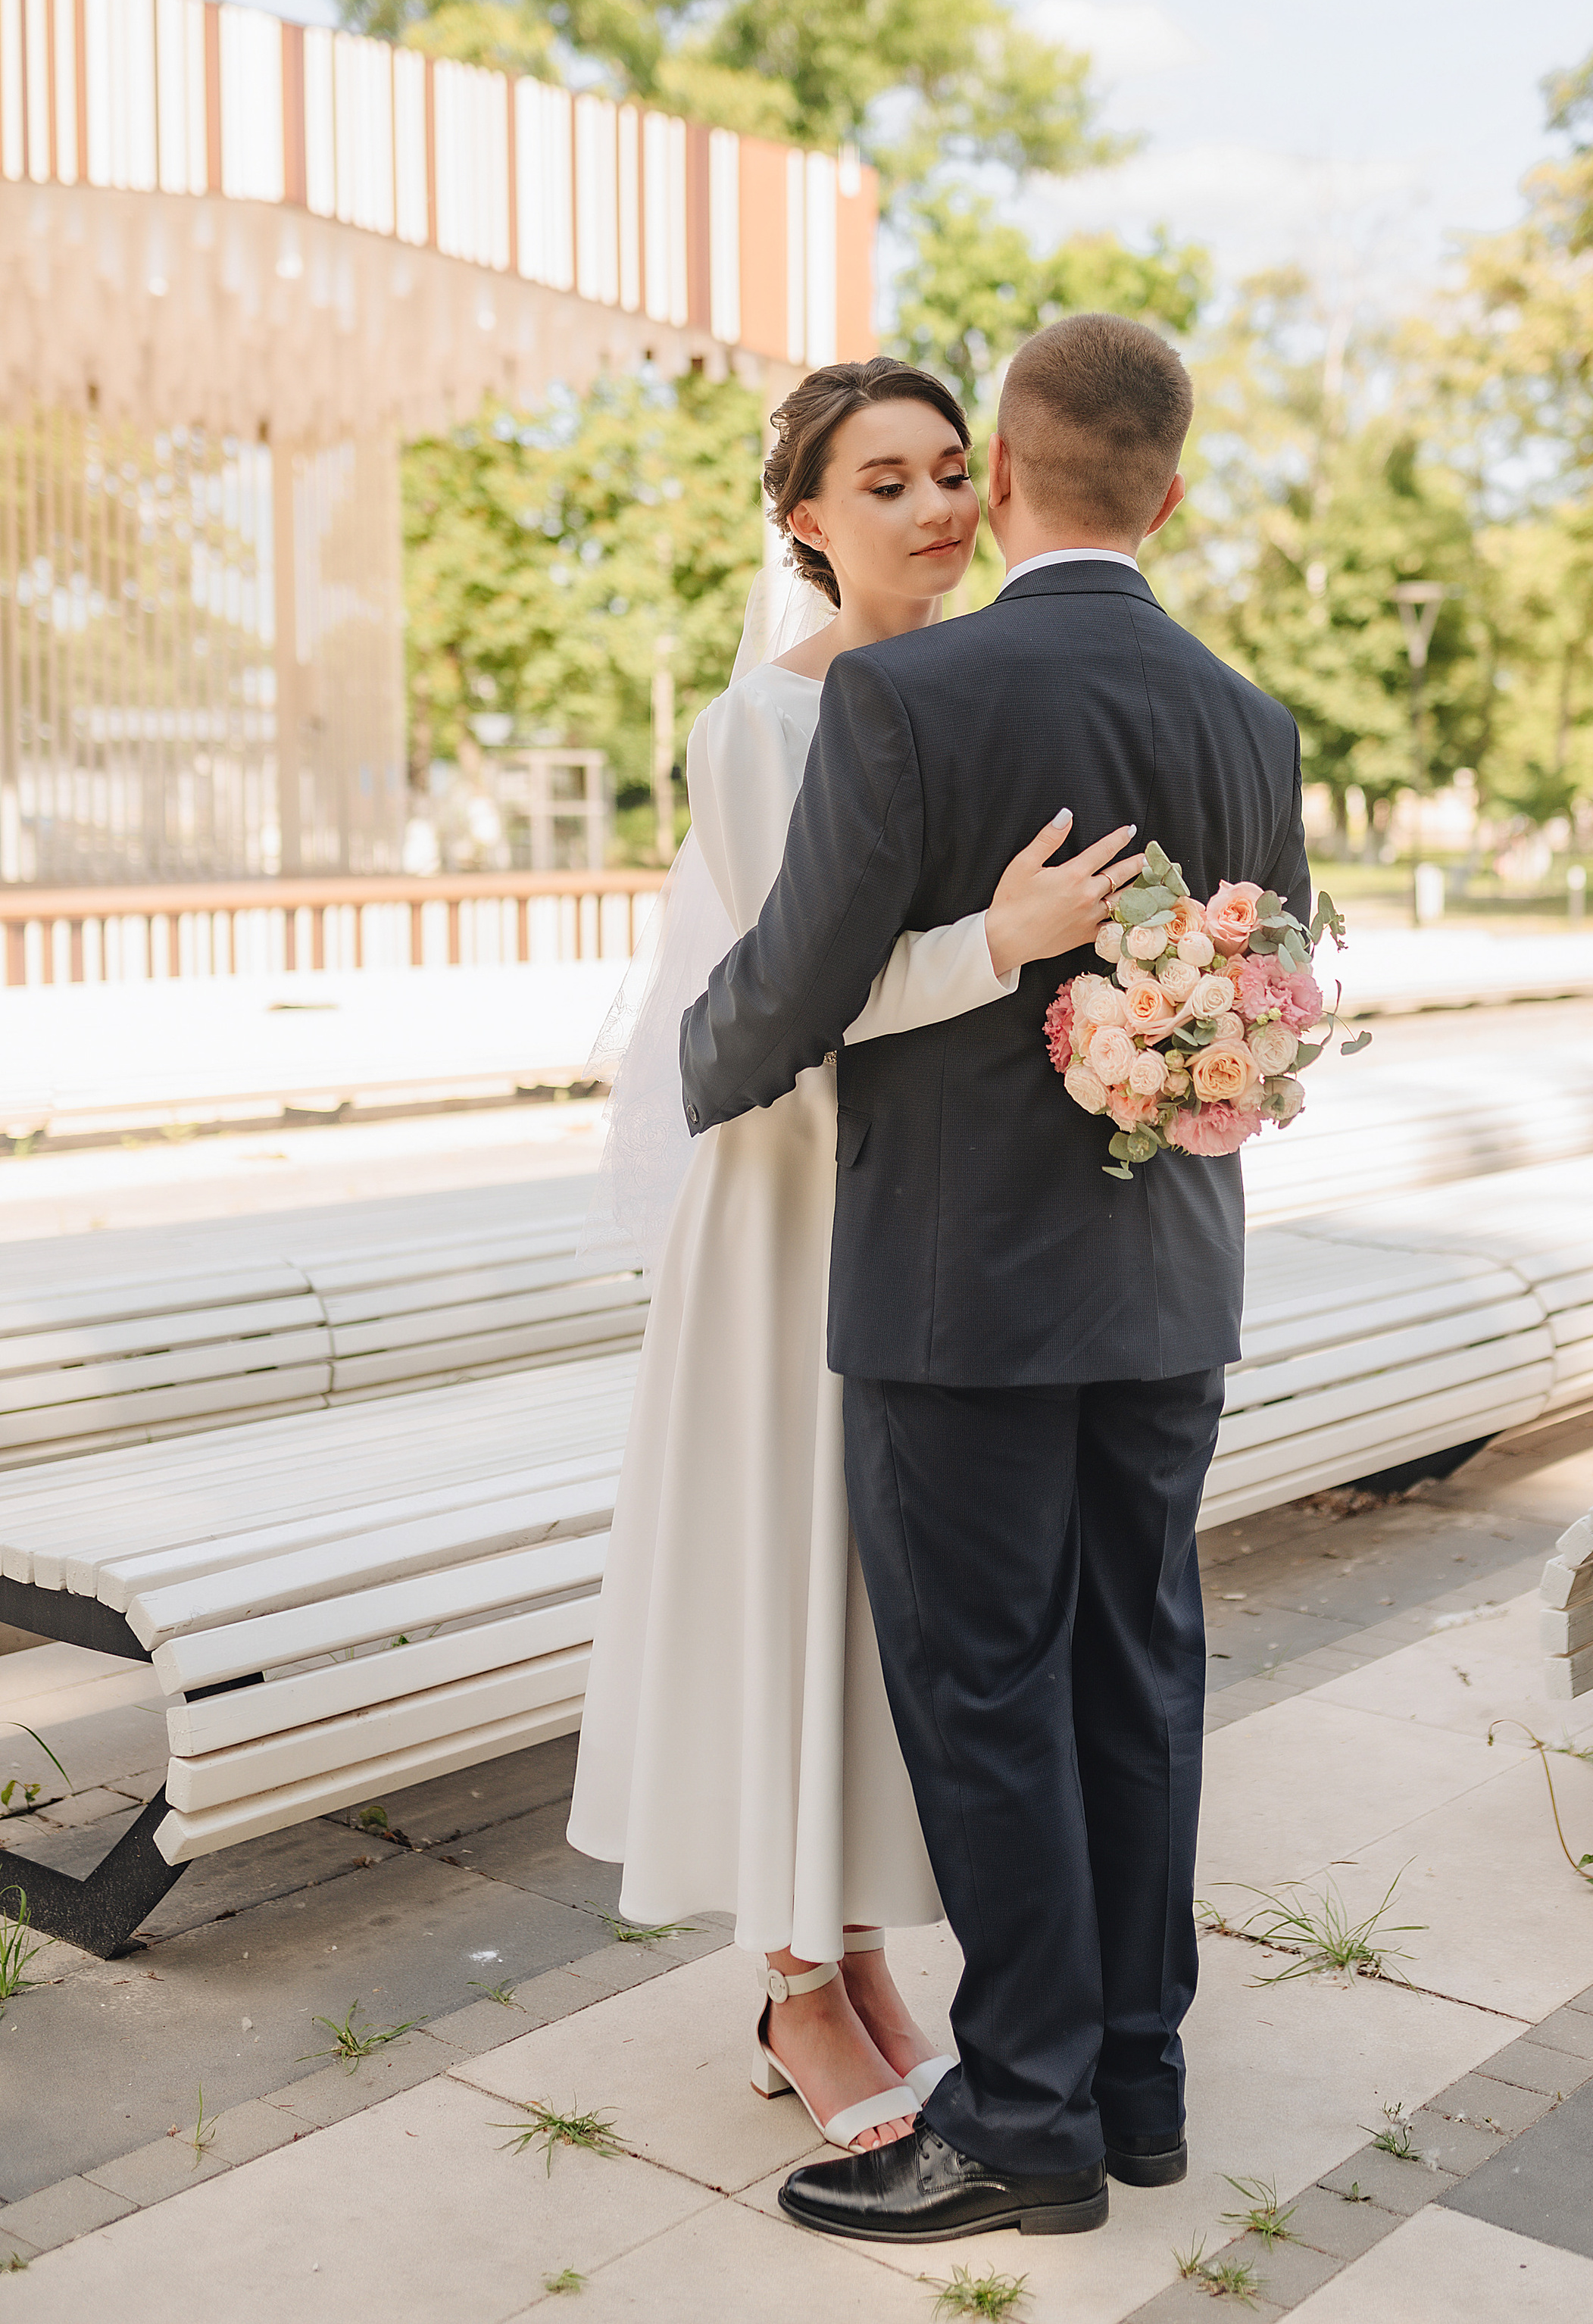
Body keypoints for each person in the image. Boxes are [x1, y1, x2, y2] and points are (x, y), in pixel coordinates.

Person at [681, 311, 1310, 2246]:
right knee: (1141, 1674)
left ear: (1010, 476)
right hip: (1166, 1284)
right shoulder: (1251, 718)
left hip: (958, 1300)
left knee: (983, 1694)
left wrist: (715, 1034)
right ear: (1171, 489)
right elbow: (1276, 1009)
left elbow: (750, 1032)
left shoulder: (911, 701)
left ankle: (1023, 2114)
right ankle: (1138, 2083)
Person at [567, 356, 1138, 2157]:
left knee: (894, 1610)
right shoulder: (766, 722)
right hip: (796, 1207)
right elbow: (784, 1008)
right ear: (803, 520)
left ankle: (862, 1941)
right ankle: (796, 1971)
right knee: (795, 1576)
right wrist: (1002, 937)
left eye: (951, 470)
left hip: (937, 1218)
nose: (934, 507)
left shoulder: (961, 696)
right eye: (880, 481)